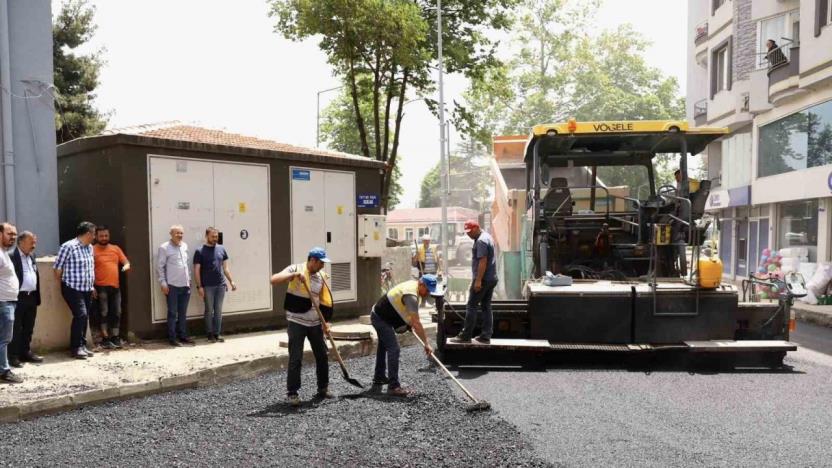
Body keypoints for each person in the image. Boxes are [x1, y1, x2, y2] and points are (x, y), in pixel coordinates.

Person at [270, 247, 334, 407]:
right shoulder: (296, 269)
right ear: (312, 260)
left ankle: (323, 388)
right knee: (295, 358)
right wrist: (292, 276)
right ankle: (292, 393)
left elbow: (325, 301)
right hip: (296, 322)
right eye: (320, 263)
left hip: (315, 324)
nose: (322, 266)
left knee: (322, 355)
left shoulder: (321, 277)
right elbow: (274, 279)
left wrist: (326, 322)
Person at [369, 275, 437, 396]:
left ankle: (379, 377)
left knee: (384, 345)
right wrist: (426, 343)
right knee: (394, 349)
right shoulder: (411, 295)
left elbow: (407, 314)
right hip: (380, 318)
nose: (428, 294)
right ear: (421, 284)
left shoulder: (414, 288)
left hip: (382, 315)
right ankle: (394, 387)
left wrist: (407, 324)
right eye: (427, 290)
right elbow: (417, 322)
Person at [451, 220, 498, 345]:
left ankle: (465, 336)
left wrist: (478, 281)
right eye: (467, 232)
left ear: (477, 228)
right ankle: (486, 336)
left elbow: (483, 261)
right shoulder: (487, 237)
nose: (469, 234)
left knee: (471, 306)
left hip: (483, 279)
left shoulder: (481, 241)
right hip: (492, 278)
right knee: (486, 306)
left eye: (470, 231)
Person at [54, 221, 97, 359]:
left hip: (87, 288)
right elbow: (57, 268)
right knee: (81, 315)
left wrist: (92, 286)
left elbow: (89, 268)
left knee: (85, 318)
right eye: (94, 233)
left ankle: (82, 345)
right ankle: (75, 347)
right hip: (72, 287)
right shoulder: (68, 246)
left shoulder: (90, 247)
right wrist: (64, 282)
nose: (95, 236)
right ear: (88, 233)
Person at [194, 227, 236, 343]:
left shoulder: (222, 249)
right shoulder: (199, 251)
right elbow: (196, 270)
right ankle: (209, 334)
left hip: (220, 285)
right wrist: (199, 287)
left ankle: (217, 334)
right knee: (209, 310)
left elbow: (225, 268)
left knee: (218, 310)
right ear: (206, 236)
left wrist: (231, 281)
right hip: (207, 286)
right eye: (213, 236)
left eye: (216, 236)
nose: (215, 238)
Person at [92, 226, 130, 349]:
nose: (104, 238)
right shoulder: (92, 250)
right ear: (96, 237)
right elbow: (88, 269)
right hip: (100, 286)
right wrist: (92, 287)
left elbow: (126, 262)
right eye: (101, 236)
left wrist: (126, 267)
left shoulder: (115, 249)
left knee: (117, 312)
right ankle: (105, 338)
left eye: (106, 235)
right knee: (103, 312)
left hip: (115, 287)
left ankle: (115, 337)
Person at [157, 225, 194, 347]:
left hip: (185, 285)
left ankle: (183, 336)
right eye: (177, 233)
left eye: (181, 233)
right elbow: (160, 267)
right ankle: (172, 338)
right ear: (171, 234)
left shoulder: (185, 246)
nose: (180, 235)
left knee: (182, 313)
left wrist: (189, 281)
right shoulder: (164, 248)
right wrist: (163, 282)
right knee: (173, 313)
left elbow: (186, 265)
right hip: (172, 286)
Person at [9, 231, 43, 367]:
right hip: (17, 297)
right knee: (15, 328)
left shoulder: (32, 256)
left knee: (29, 327)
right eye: (31, 242)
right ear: (21, 242)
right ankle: (13, 356)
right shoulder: (11, 256)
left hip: (32, 297)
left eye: (35, 242)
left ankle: (25, 352)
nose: (34, 245)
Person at [0, 223, 22, 383]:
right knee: (4, 339)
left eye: (15, 234)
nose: (13, 237)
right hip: (3, 303)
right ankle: (4, 371)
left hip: (8, 302)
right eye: (9, 234)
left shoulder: (4, 253)